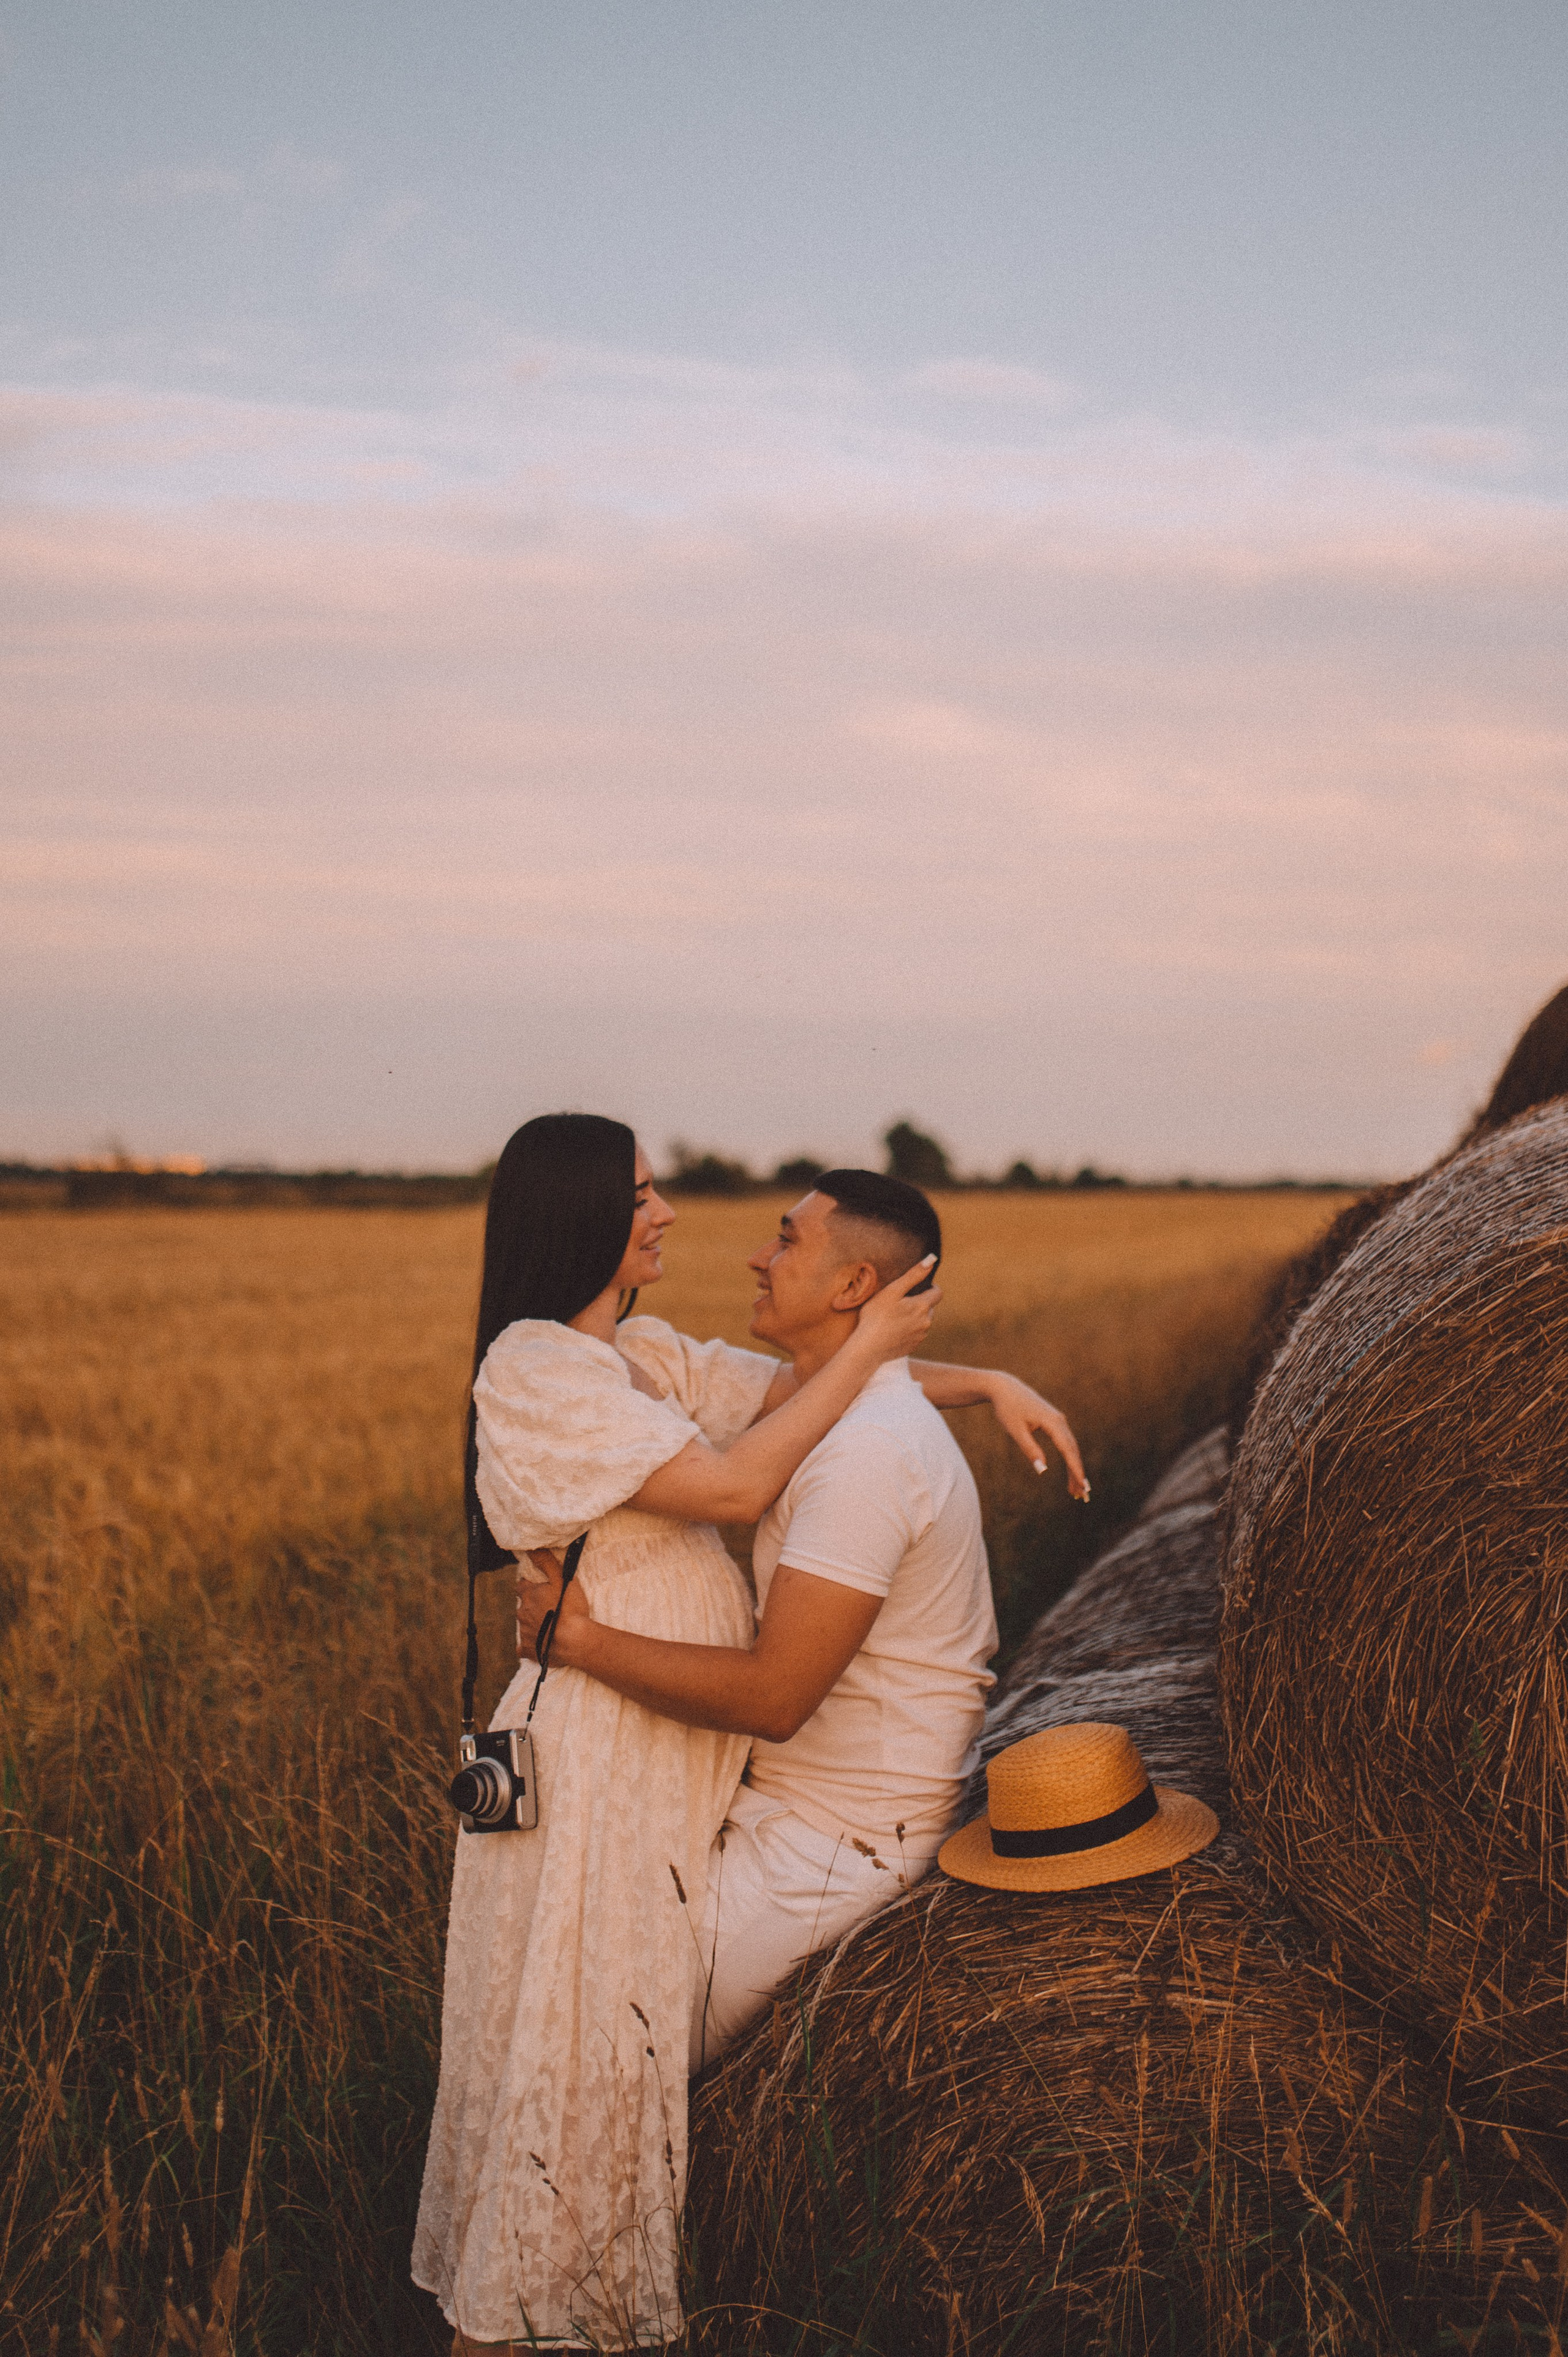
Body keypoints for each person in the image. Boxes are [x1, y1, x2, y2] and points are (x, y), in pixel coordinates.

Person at [412, 1115, 941, 2355]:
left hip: (654, 1763)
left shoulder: (640, 1354)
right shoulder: (535, 1367)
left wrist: (979, 1382)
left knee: (603, 2080)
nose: (665, 1212)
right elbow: (735, 1487)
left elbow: (811, 1394)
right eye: (641, 1192)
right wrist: (871, 1336)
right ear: (581, 1211)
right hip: (596, 1763)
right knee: (570, 2082)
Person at [516, 1169, 1089, 2078]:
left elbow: (778, 1696)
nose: (757, 1255)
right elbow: (789, 1393)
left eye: (786, 1240)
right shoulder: (844, 1416)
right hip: (794, 1812)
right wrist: (984, 1379)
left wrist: (578, 1642)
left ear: (854, 1289)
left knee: (603, 2055)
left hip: (835, 1843)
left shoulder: (866, 1456)